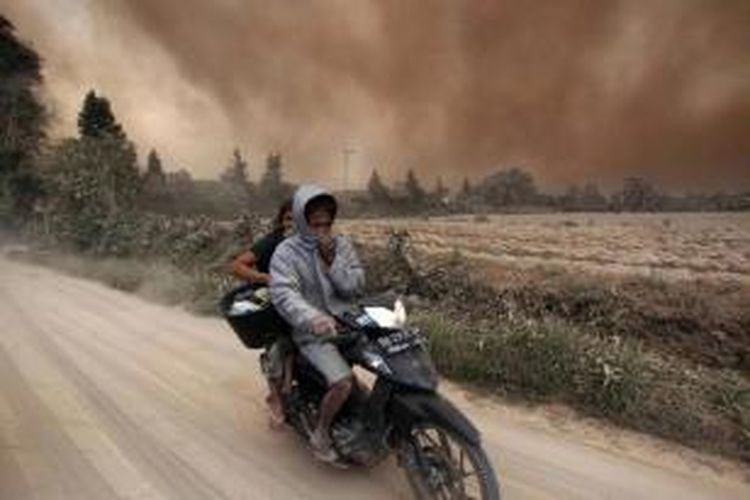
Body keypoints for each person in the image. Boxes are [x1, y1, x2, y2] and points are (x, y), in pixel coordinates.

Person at [270, 185, 365, 462]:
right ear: (301, 221)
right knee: (343, 382)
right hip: (313, 332)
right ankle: (321, 434)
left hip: (348, 323)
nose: (322, 229)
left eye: (327, 222)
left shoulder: (341, 244)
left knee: (386, 362)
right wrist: (313, 317)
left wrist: (332, 260)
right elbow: (283, 293)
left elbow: (354, 286)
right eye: (315, 223)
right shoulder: (286, 253)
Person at [232, 199, 294, 428]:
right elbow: (238, 265)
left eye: (299, 218)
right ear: (281, 221)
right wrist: (265, 278)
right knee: (278, 347)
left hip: (306, 303)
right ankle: (275, 398)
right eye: (289, 218)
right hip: (276, 303)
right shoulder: (271, 242)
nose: (293, 223)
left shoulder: (310, 242)